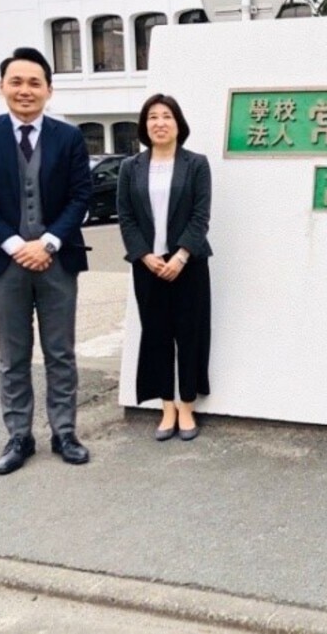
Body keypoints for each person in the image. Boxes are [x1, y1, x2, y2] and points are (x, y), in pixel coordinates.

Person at [0, 46, 92, 475]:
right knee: (12, 355)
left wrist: (48, 242)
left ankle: (65, 431)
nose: (25, 90)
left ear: (49, 90)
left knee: (60, 352)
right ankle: (19, 435)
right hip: (4, 263)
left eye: (35, 82)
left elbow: (80, 197)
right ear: (1, 87)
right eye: (16, 81)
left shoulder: (68, 137)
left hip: (58, 261)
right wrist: (17, 244)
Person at [117, 93, 212, 441]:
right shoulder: (131, 168)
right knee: (156, 336)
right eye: (153, 117)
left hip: (188, 264)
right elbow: (125, 218)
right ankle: (166, 405)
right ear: (144, 125)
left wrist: (181, 256)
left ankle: (187, 404)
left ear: (178, 124)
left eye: (167, 116)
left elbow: (201, 216)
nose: (159, 122)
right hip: (148, 266)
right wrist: (144, 255)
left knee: (189, 335)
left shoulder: (196, 164)